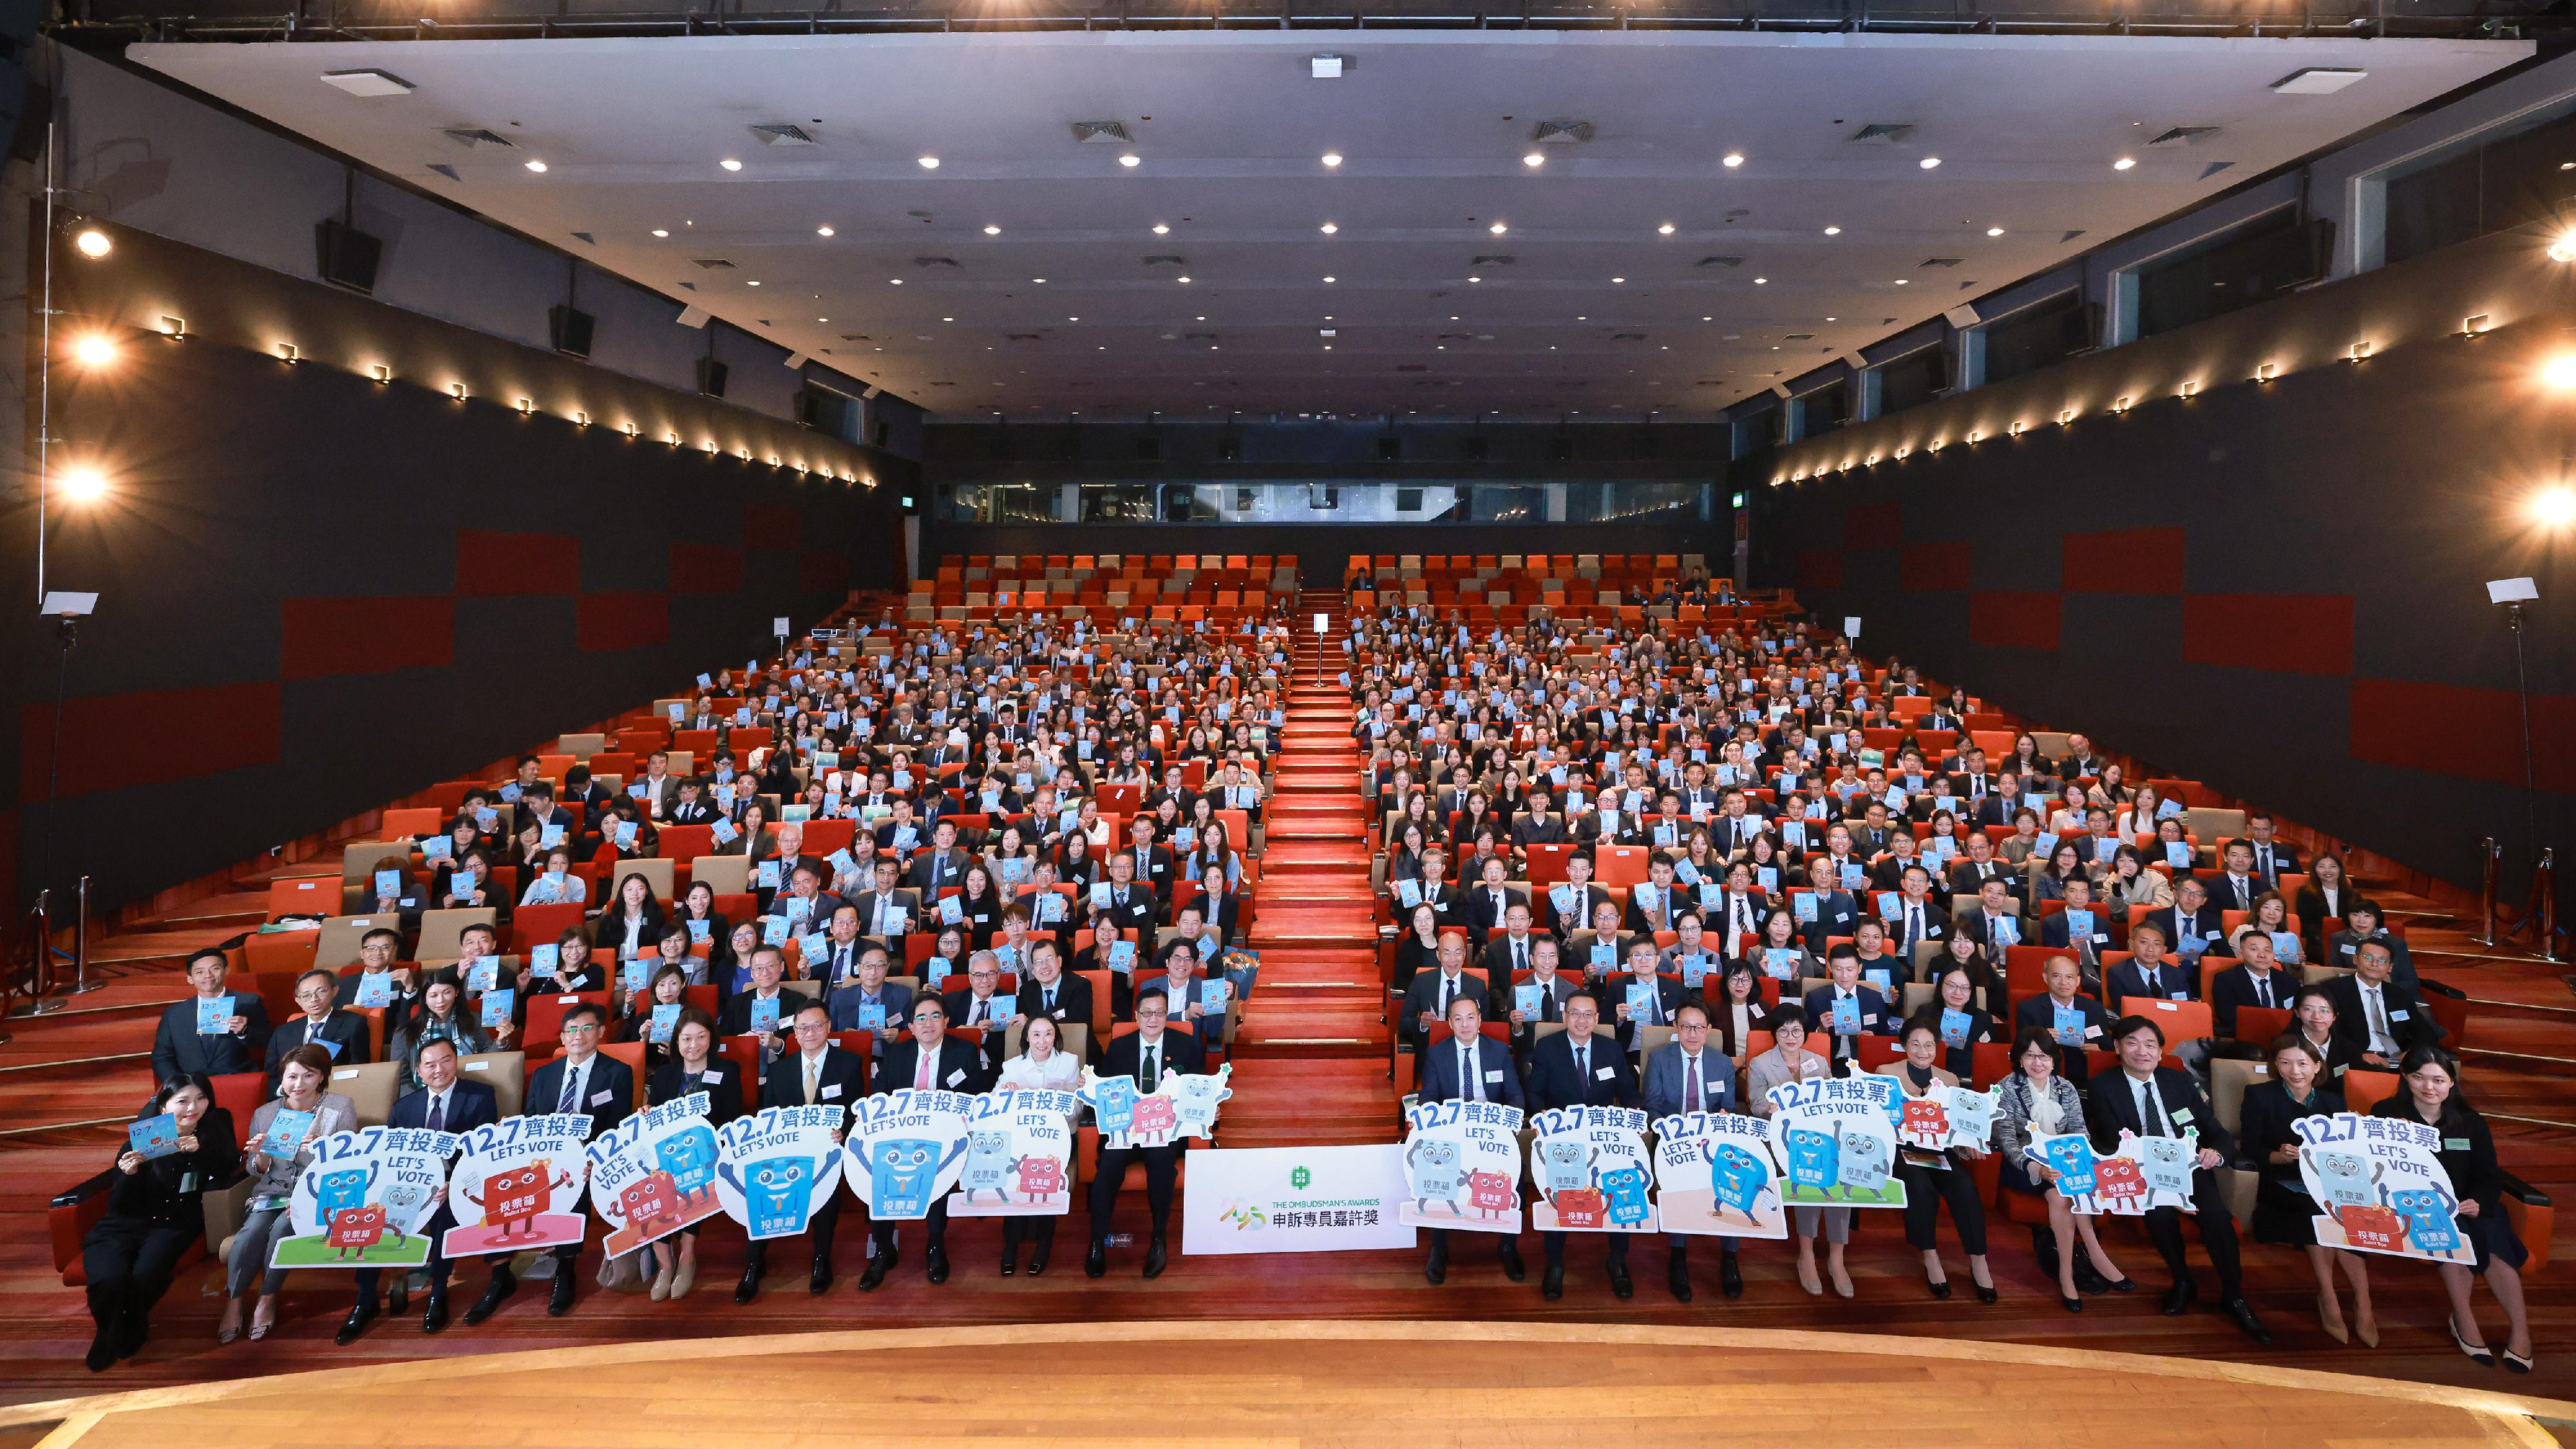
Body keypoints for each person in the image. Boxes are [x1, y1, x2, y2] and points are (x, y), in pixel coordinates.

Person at [2085, 1016, 2269, 1343]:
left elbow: (2211, 1127)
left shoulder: (2178, 1082)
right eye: (2132, 1043)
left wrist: (2217, 1153)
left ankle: (2234, 1295)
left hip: (2189, 1166)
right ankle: (2183, 1280)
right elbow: (2110, 1142)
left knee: (2217, 1219)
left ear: (2160, 1053)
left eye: (2150, 1045)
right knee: (2161, 1215)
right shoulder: (2103, 1086)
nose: (2142, 1051)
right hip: (2142, 1169)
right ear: (2117, 1047)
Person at [2375, 1046, 2533, 1372]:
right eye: (2419, 1078)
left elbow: (2489, 1175)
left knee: (2493, 1234)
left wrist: (2479, 1201)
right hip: (2416, 1204)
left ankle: (2521, 1329)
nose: (2429, 1087)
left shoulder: (2471, 1122)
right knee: (2450, 1236)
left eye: (2438, 1080)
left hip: (2469, 1202)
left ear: (2451, 1084)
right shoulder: (2385, 1115)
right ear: (2405, 1078)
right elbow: (2377, 1170)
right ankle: (2464, 1319)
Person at [82, 1075, 236, 1370]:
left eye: (201, 1098)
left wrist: (200, 1152)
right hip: (126, 1222)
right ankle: (107, 1331)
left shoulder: (215, 1128)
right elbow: (118, 1204)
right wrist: (128, 1176)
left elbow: (227, 1165)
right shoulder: (140, 1140)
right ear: (164, 1107)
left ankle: (135, 1321)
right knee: (107, 1278)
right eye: (182, 1101)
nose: (194, 1107)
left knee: (147, 1274)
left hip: (174, 1223)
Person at [355, 1037, 499, 1337]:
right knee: (372, 1215)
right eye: (430, 1064)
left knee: (445, 1212)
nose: (439, 1069)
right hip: (410, 1185)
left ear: (456, 1061)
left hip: (454, 1181)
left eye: (445, 1060)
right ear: (419, 1071)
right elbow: (390, 1158)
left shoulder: (480, 1096)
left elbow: (483, 1153)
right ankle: (366, 1297)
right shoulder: (404, 1107)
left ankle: (438, 1289)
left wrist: (456, 1182)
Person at [219, 1044, 357, 1343]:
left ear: (322, 1077)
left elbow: (346, 1168)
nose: (298, 1085)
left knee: (282, 1228)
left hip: (316, 1194)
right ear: (282, 1078)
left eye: (309, 1076)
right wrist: (260, 1155)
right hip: (271, 1191)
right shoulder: (266, 1113)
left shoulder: (340, 1108)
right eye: (292, 1076)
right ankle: (233, 1300)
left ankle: (267, 1298)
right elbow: (257, 1171)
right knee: (251, 1231)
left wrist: (319, 1149)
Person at [2240, 1034, 2372, 1345]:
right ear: (2275, 1065)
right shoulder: (2260, 1095)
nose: (2294, 1070)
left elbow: (2348, 1156)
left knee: (2347, 1209)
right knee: (2318, 1211)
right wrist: (2279, 1155)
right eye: (2285, 1063)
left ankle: (2363, 1302)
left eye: (2303, 1063)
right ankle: (2328, 1297)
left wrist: (2355, 1132)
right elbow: (2251, 1147)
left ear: (2317, 1066)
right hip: (2284, 1181)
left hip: (2328, 1183)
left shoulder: (2333, 1101)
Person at [1992, 1027, 2130, 1312]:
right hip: (2025, 1163)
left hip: (2064, 1160)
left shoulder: (2066, 1088)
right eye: (2029, 1056)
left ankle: (2078, 1264)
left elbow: (2080, 1132)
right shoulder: (2006, 1087)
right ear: (2019, 1059)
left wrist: (2078, 1159)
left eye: (2043, 1056)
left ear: (2054, 1060)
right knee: (2060, 1193)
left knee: (2067, 1188)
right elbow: (2007, 1141)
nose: (2037, 1063)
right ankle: (2082, 1264)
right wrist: (2036, 1167)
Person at [744, 1003, 868, 1299]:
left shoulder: (849, 1064)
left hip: (829, 1150)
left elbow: (856, 1110)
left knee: (827, 1194)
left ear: (828, 1028)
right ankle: (754, 1263)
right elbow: (768, 1114)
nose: (810, 1033)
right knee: (763, 1188)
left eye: (816, 1026)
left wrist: (845, 1131)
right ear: (795, 1034)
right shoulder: (780, 1070)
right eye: (803, 1028)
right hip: (789, 1151)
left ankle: (821, 1260)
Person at [1524, 991, 1641, 1301]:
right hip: (1562, 1138)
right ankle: (1556, 1261)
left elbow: (1629, 1092)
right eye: (1575, 1014)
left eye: (1588, 1014)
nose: (1581, 1020)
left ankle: (1617, 1259)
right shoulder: (1548, 1048)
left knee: (1619, 1190)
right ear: (1565, 1018)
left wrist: (1635, 1121)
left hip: (1604, 1136)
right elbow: (1534, 1093)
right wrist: (1540, 1119)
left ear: (1597, 1019)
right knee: (1560, 1194)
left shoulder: (1611, 1049)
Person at [523, 1003, 634, 1316]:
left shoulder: (617, 1072)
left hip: (590, 1156)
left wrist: (595, 1158)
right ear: (561, 1036)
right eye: (571, 1030)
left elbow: (616, 1126)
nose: (578, 1035)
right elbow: (532, 1121)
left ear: (600, 1032)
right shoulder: (545, 1075)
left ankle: (565, 1267)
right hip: (545, 1157)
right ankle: (503, 1271)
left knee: (574, 1187)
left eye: (586, 1028)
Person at [1085, 989, 1202, 1280]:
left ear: (1167, 1015)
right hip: (1126, 1131)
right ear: (1136, 1016)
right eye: (1147, 1013)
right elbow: (1106, 1093)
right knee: (1108, 1167)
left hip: (1165, 1132)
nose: (1153, 1019)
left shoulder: (1186, 1045)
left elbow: (1199, 1089)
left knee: (1162, 1163)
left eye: (1159, 1013)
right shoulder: (1119, 1047)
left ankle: (1158, 1238)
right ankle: (1098, 1240)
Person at [1416, 994, 1526, 1286]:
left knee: (1516, 1173)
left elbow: (1514, 1094)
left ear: (1480, 1020)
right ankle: (1439, 1247)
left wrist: (1511, 1122)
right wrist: (1428, 1121)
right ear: (1450, 1023)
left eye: (1470, 1018)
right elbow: (1428, 1096)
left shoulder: (1499, 1051)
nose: (1465, 1025)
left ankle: (1508, 1245)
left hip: (1491, 1131)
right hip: (1453, 1133)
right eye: (1458, 1019)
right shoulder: (1438, 1054)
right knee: (1436, 1172)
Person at [1890, 1012, 1994, 1302]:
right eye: (1915, 1045)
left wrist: (1969, 1147)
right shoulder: (1885, 1072)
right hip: (1902, 1150)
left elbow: (1960, 1128)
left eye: (1929, 1046)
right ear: (1904, 1045)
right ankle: (1930, 1255)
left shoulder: (1949, 1080)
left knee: (1964, 1188)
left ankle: (1978, 1260)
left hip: (1940, 1152)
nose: (1922, 1052)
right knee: (1919, 1187)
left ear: (1937, 1048)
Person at [1640, 1002, 1741, 1302]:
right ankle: (1678, 1256)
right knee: (1679, 1191)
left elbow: (1729, 1106)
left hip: (1711, 1138)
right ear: (1676, 1028)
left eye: (1699, 1028)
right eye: (1686, 1027)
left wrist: (1721, 1119)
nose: (1693, 1034)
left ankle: (1730, 1258)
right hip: (1672, 1139)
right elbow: (1654, 1106)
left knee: (1729, 1187)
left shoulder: (1722, 1063)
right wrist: (1675, 1136)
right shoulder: (1660, 1059)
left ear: (1709, 1030)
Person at [1747, 1009, 1849, 1297]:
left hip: (1820, 1136)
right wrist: (1771, 1108)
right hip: (1782, 1138)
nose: (1790, 1038)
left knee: (1840, 1170)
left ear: (1805, 1034)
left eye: (1797, 1032)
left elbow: (1832, 1100)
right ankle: (1806, 1253)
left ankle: (1837, 1257)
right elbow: (1755, 1105)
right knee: (1809, 1172)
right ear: (1774, 1034)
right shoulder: (1761, 1064)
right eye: (1783, 1032)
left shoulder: (1818, 1062)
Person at [646, 1007, 742, 1302]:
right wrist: (646, 1112)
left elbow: (731, 1117)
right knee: (655, 1179)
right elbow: (656, 1120)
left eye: (701, 1037)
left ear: (711, 1039)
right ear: (677, 1042)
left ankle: (687, 1254)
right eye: (687, 1038)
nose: (694, 1045)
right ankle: (664, 1262)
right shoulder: (664, 1075)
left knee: (692, 1173)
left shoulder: (727, 1070)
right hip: (667, 1151)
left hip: (707, 1151)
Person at [994, 1014, 1081, 1276]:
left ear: (1056, 1037)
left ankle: (1044, 1243)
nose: (1042, 1041)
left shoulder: (1069, 1063)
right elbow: (996, 1106)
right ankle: (1010, 1245)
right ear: (1027, 1039)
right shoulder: (1012, 1067)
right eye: (1036, 1035)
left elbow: (1078, 1108)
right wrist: (1004, 1094)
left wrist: (1062, 1103)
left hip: (1059, 1137)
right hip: (1022, 1140)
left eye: (1048, 1034)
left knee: (1046, 1179)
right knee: (1013, 1178)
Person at [152, 948, 270, 1081]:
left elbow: (267, 1040)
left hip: (237, 1079)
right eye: (199, 972)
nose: (208, 975)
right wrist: (178, 1085)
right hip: (192, 1084)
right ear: (190, 979)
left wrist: (244, 1032)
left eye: (215, 969)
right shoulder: (174, 1014)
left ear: (227, 970)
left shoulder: (248, 1002)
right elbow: (162, 1057)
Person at [2327, 938, 2441, 1068]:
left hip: (2397, 1061)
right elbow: (2324, 1031)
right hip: (2354, 1060)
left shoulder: (2400, 995)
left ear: (2390, 967)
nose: (2374, 964)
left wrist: (2413, 1053)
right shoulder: (2332, 990)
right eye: (2368, 957)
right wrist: (2357, 1055)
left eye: (2382, 960)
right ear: (2355, 959)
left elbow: (2425, 1033)